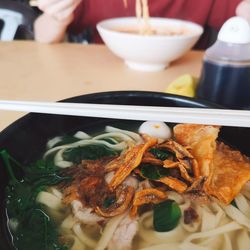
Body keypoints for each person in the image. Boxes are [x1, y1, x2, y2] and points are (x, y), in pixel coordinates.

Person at [34, 0, 250, 46]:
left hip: (181, 84)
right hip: (102, 76)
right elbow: (43, 35)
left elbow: (243, 9)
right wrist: (56, 15)